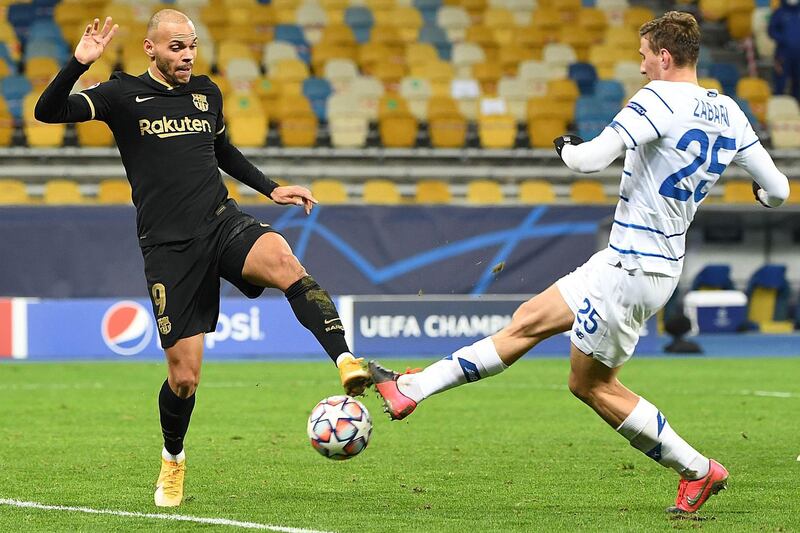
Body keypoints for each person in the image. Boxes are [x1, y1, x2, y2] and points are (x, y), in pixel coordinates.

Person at [369, 11, 790, 514]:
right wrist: (762, 197)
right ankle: (410, 389)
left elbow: (590, 160)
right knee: (529, 319)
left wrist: (567, 147)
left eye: (642, 58)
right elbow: (780, 190)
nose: (640, 69)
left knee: (590, 385)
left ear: (664, 56)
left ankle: (697, 470)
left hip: (631, 269)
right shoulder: (731, 112)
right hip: (638, 262)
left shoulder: (657, 99)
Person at [35, 10, 371, 507]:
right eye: (176, 47)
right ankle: (173, 459)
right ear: (151, 49)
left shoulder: (206, 93)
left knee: (283, 260)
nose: (187, 54)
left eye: (191, 45)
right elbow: (47, 112)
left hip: (221, 222)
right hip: (169, 247)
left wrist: (272, 188)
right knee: (184, 377)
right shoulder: (121, 95)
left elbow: (223, 151)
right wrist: (77, 65)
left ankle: (345, 359)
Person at [768, 0, 800, 101]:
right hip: (783, 54)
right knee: (780, 81)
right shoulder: (779, 12)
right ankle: (778, 106)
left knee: (798, 82)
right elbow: (771, 30)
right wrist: (784, 39)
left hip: (799, 54)